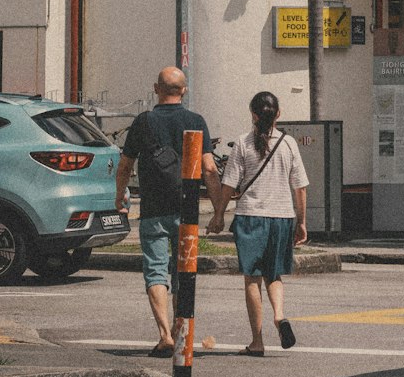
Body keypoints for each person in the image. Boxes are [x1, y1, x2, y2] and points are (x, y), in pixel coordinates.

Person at [115, 67, 222, 357]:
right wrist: (218, 210)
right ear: (184, 90)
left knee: (155, 271)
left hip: (152, 209)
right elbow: (209, 169)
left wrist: (120, 196)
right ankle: (180, 329)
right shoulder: (195, 121)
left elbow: (125, 165)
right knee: (183, 273)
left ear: (155, 88)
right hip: (186, 210)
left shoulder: (143, 122)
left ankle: (164, 335)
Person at [208, 90, 308, 357]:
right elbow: (299, 187)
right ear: (278, 114)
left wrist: (219, 214)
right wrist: (302, 221)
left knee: (252, 278)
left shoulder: (242, 143)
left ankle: (257, 341)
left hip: (251, 216)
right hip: (283, 216)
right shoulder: (289, 144)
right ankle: (279, 315)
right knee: (273, 274)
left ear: (253, 114)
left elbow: (229, 183)